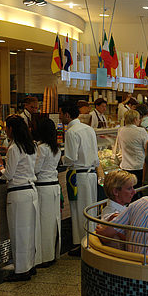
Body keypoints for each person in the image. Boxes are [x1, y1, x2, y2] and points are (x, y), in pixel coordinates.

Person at [0, 115, 38, 282]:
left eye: (6, 127)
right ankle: (30, 265)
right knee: (30, 232)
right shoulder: (31, 145)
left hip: (18, 193)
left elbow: (9, 175)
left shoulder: (14, 148)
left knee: (18, 233)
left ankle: (21, 271)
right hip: (31, 192)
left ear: (11, 129)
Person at [60, 101, 99, 256]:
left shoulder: (71, 132)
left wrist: (60, 158)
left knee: (79, 210)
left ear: (67, 115)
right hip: (91, 174)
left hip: (79, 175)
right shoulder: (88, 129)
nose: (60, 116)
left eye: (61, 113)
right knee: (91, 209)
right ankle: (91, 241)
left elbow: (70, 157)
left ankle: (82, 244)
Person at [33, 117, 62, 268]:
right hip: (54, 187)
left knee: (43, 224)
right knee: (52, 223)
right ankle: (51, 255)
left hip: (43, 187)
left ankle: (44, 257)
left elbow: (36, 169)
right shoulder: (55, 148)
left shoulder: (41, 148)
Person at [113, 109, 148, 185]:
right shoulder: (141, 131)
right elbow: (147, 148)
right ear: (135, 119)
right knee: (138, 190)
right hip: (139, 166)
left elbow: (119, 147)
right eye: (139, 118)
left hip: (125, 166)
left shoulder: (121, 130)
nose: (140, 120)